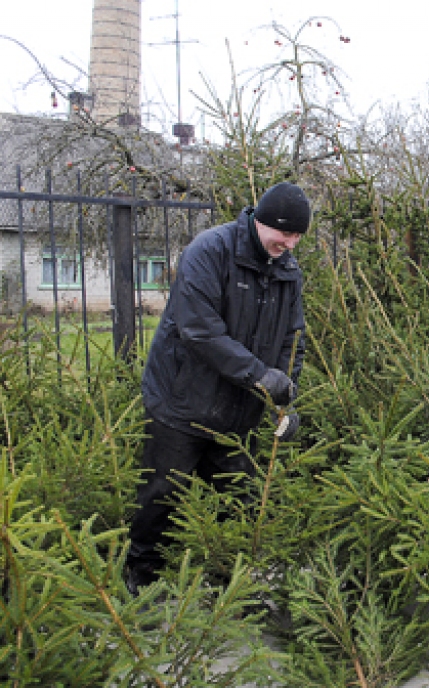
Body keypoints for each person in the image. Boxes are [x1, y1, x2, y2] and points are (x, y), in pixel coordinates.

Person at [126, 182, 310, 594]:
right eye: (285, 233)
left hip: (238, 410)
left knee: (238, 501)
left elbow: (292, 339)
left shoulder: (287, 270)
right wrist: (260, 376)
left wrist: (284, 399)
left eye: (298, 236)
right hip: (180, 402)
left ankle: (232, 587)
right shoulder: (209, 251)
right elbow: (199, 331)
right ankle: (141, 580)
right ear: (262, 221)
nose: (290, 244)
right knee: (161, 495)